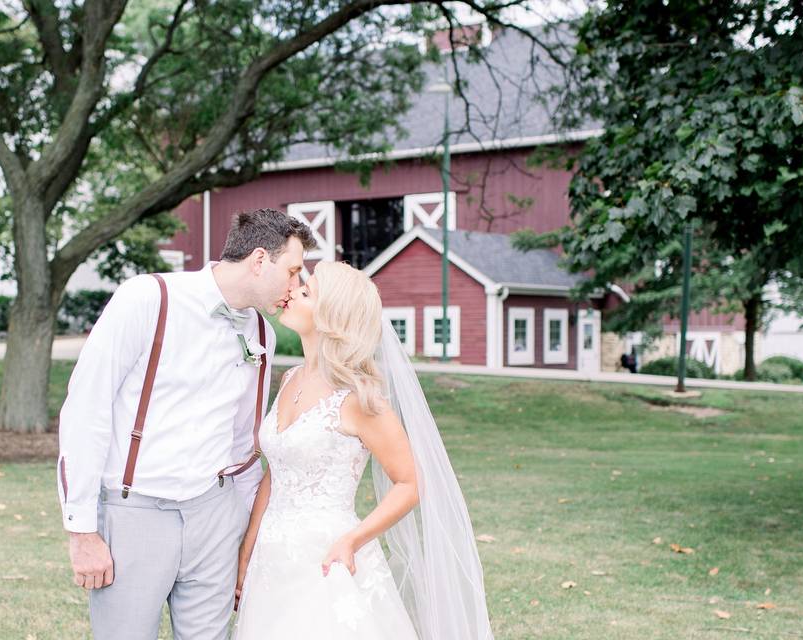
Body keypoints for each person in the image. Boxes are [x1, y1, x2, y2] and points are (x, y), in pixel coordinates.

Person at [56, 208, 314, 640]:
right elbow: (86, 408)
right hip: (135, 510)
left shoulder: (262, 334)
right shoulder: (147, 298)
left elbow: (244, 440)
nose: (296, 286)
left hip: (216, 515)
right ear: (258, 261)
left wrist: (248, 529)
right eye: (291, 271)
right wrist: (82, 530)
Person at [233, 261, 494, 640]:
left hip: (326, 557)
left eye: (306, 292)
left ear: (330, 317)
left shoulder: (358, 398)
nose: (291, 292)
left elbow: (409, 482)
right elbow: (276, 473)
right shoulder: (290, 378)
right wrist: (247, 553)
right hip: (271, 560)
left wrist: (353, 539)